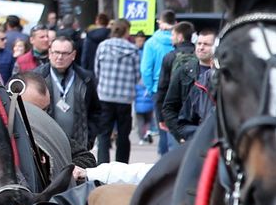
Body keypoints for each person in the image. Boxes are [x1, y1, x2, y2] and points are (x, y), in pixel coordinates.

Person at [34, 34, 100, 163]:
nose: (60, 57)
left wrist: (90, 138)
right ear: (49, 53)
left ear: (73, 55)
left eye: (65, 53)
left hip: (78, 147)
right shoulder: (37, 78)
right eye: (56, 52)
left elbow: (95, 111)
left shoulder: (85, 78)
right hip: (46, 144)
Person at [91, 18, 139, 163]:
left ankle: (103, 166)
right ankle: (121, 165)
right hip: (124, 98)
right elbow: (138, 74)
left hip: (105, 95)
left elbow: (96, 70)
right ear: (127, 31)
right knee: (124, 134)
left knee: (104, 134)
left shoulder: (103, 46)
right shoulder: (133, 49)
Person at [163, 30, 216, 142]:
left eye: (206, 44)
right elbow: (169, 107)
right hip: (189, 137)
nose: (201, 47)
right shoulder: (184, 71)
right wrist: (181, 135)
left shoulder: (223, 74)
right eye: (199, 43)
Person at [140, 11, 177, 156]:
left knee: (163, 127)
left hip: (158, 88)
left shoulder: (151, 43)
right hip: (179, 88)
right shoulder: (180, 39)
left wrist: (150, 88)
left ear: (160, 22)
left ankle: (164, 160)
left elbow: (146, 69)